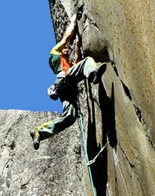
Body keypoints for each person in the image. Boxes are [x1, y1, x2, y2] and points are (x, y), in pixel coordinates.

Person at [30, 14, 106, 150]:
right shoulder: (55, 53)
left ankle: (39, 133)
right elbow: (66, 37)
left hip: (66, 87)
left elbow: (76, 65)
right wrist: (73, 21)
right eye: (65, 49)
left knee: (70, 116)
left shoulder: (66, 64)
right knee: (88, 62)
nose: (67, 49)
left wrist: (78, 47)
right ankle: (94, 74)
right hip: (64, 80)